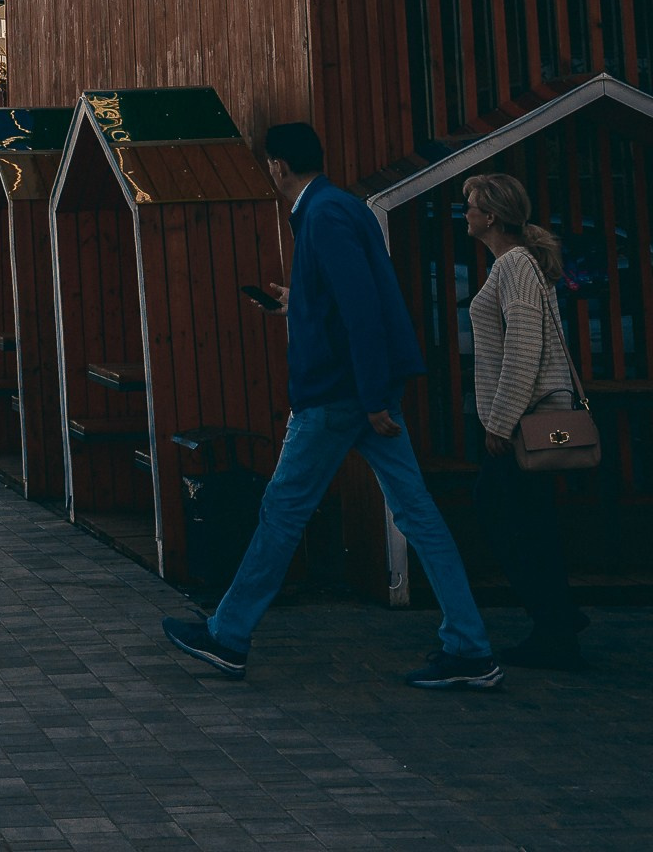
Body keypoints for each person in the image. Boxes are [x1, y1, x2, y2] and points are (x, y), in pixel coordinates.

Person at [162, 121, 500, 690]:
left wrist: (369, 397)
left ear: (278, 165)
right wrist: (297, 304)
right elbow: (349, 301)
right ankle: (470, 645)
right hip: (362, 394)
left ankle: (228, 635)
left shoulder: (322, 216)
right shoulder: (342, 208)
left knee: (282, 511)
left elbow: (361, 309)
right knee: (417, 513)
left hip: (339, 397)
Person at [464, 170, 586, 670]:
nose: (465, 214)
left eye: (470, 205)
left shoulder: (513, 264)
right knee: (532, 519)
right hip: (533, 418)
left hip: (524, 421)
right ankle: (558, 624)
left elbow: (522, 350)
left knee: (497, 511)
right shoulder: (517, 264)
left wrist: (500, 422)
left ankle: (554, 619)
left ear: (490, 215)